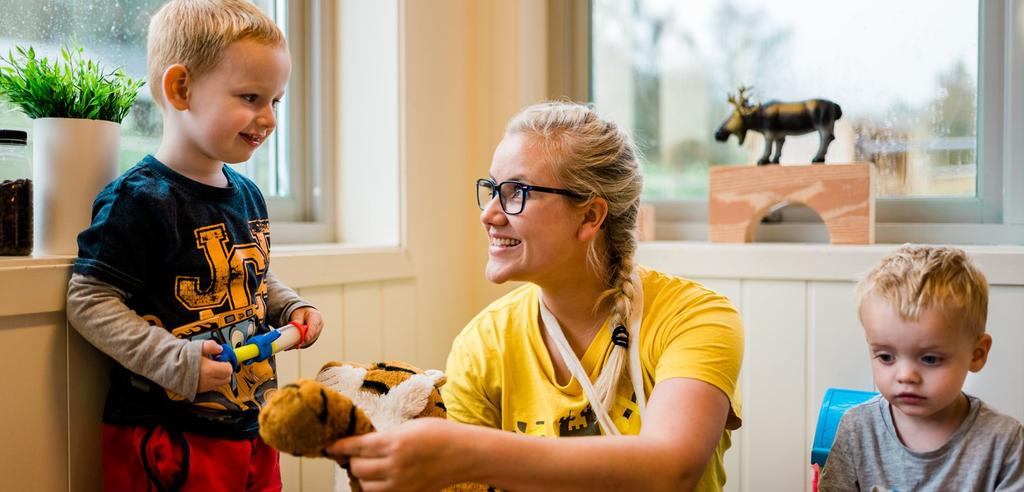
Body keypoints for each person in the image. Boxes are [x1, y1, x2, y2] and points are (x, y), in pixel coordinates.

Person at [327, 101, 743, 491]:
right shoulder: (485, 341)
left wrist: (464, 451)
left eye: (516, 192)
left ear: (590, 216)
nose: (489, 213)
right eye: (492, 189)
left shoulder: (695, 317)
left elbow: (671, 467)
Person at [65, 1, 324, 490]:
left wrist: (288, 306)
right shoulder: (139, 199)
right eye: (251, 97)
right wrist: (173, 360)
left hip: (252, 422)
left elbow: (249, 276)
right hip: (172, 437)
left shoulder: (246, 193)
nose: (268, 118)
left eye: (277, 101)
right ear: (181, 88)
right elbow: (88, 300)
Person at [819, 245, 1023, 491]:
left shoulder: (1004, 442)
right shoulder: (858, 430)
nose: (906, 376)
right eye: (885, 357)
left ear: (977, 354)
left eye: (929, 359)